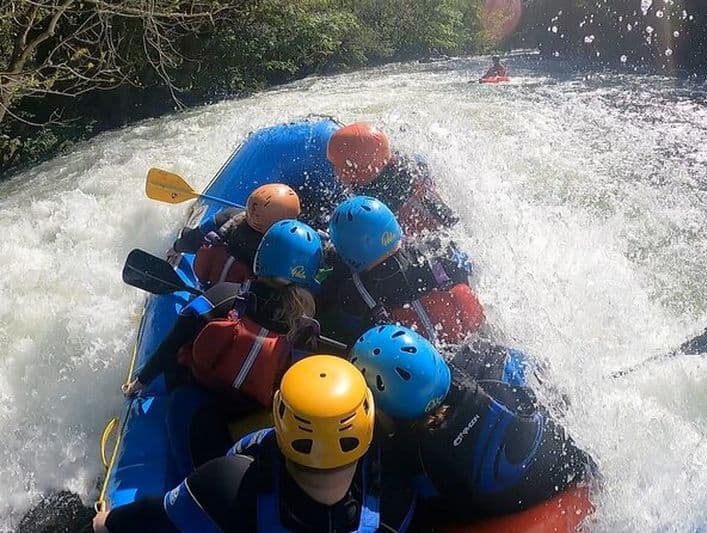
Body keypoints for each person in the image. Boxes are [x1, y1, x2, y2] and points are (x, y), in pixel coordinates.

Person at [93, 355, 417, 532]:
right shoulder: (397, 492)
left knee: (184, 403)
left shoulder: (224, 483)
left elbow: (154, 517)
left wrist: (106, 522)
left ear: (280, 416)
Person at [123, 220, 324, 474]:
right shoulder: (306, 326)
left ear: (261, 257)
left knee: (183, 402)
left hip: (199, 397)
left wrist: (140, 382)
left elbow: (175, 339)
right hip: (252, 409)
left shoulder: (226, 294)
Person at [349, 325, 597, 527]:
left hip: (522, 507)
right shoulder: (490, 359)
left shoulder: (416, 459)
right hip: (575, 468)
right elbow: (556, 391)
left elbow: (435, 514)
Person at [317, 196, 482, 347]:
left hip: (418, 368)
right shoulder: (436, 250)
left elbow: (342, 335)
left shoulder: (355, 294)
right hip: (475, 341)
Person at [326, 123, 458, 235]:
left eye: (339, 166)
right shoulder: (393, 164)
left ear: (358, 169)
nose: (335, 171)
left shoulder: (392, 196)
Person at [167, 183, 301, 285]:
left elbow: (193, 241)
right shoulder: (279, 247)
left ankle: (184, 232)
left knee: (191, 234)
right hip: (239, 297)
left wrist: (177, 247)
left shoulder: (229, 215)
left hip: (210, 279)